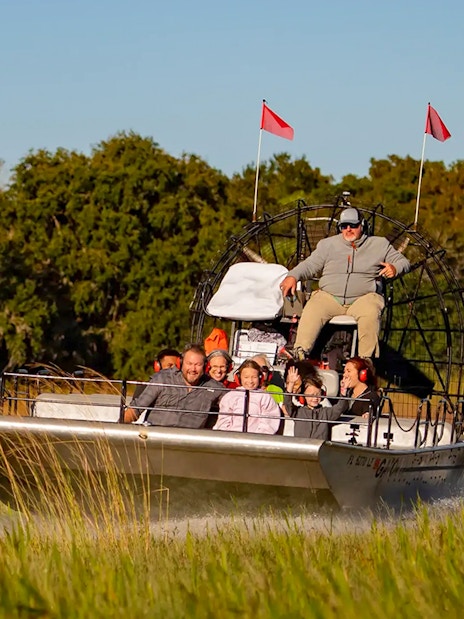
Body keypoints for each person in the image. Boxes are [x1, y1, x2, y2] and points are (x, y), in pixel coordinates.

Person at [279, 207, 410, 360]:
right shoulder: (327, 245)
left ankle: (365, 360)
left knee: (371, 311)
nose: (348, 229)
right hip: (330, 297)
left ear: (362, 225)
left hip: (363, 298)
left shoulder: (380, 245)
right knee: (313, 308)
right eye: (344, 226)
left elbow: (404, 262)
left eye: (353, 225)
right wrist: (293, 276)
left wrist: (395, 268)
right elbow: (310, 265)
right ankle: (299, 352)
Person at [124, 343, 223, 428]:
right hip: (156, 440)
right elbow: (135, 409)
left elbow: (235, 406)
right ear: (180, 363)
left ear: (205, 367)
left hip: (190, 446)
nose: (193, 369)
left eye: (198, 365)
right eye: (189, 363)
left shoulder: (215, 388)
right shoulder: (162, 379)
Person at [213, 359, 281, 434]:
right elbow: (223, 420)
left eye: (254, 377)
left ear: (260, 378)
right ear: (238, 378)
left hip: (255, 440)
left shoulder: (265, 398)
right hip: (231, 439)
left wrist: (257, 438)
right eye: (246, 377)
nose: (250, 381)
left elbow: (269, 422)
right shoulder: (230, 396)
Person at [286, 373, 346, 440]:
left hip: (320, 448)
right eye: (311, 395)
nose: (315, 398)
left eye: (318, 394)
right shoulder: (298, 412)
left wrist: (343, 393)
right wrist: (291, 384)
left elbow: (340, 408)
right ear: (303, 396)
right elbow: (288, 404)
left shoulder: (325, 413)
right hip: (302, 448)